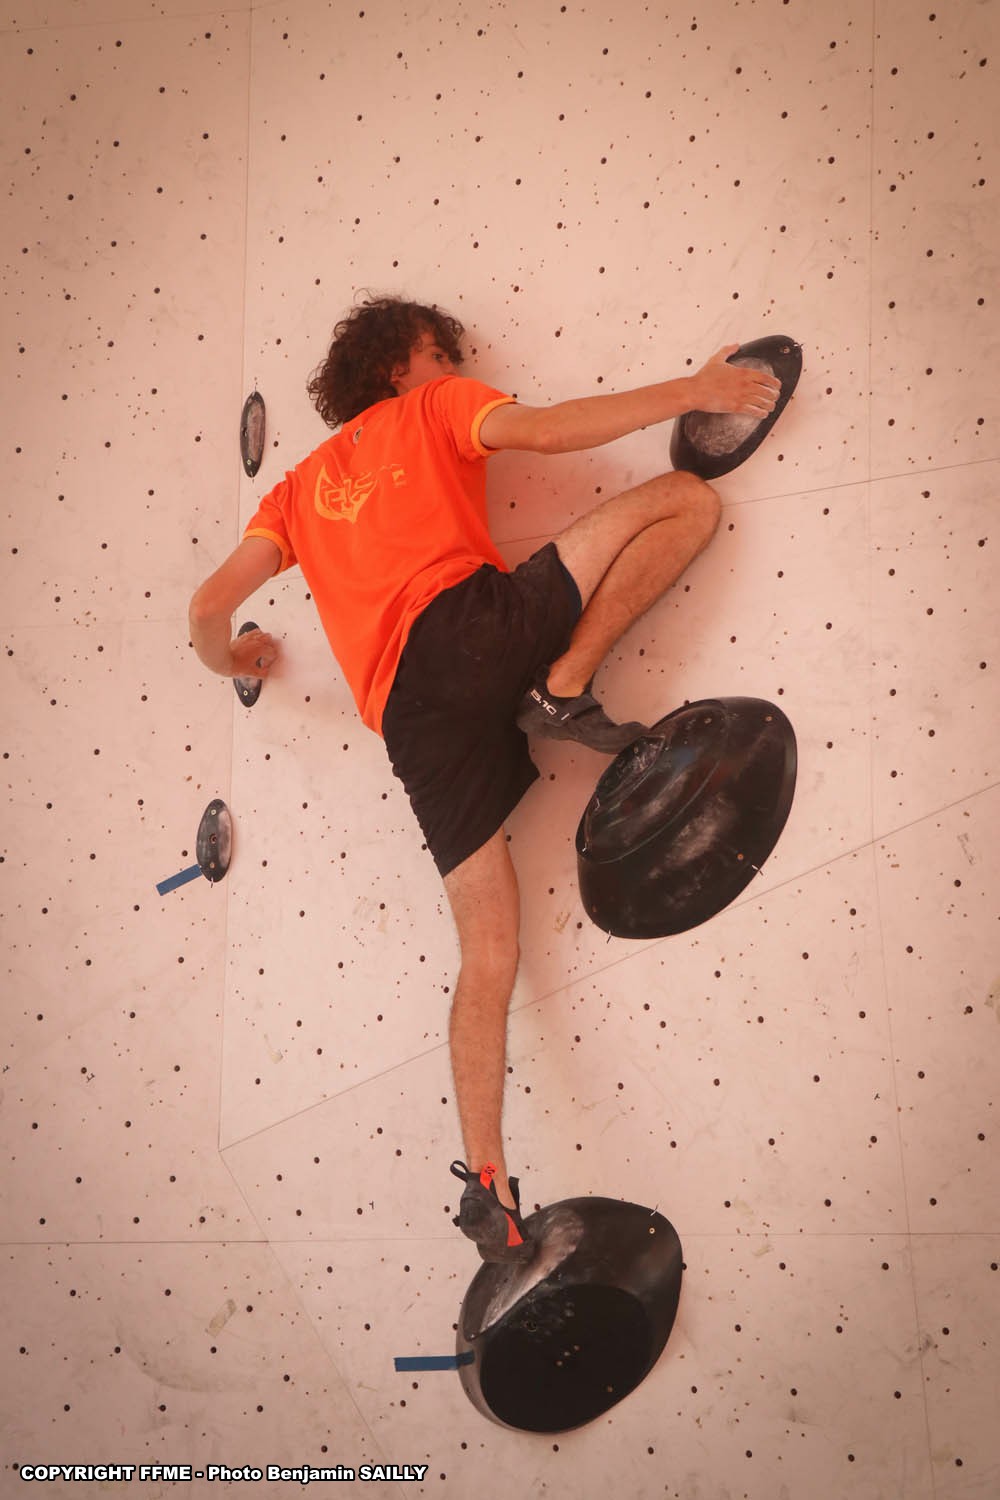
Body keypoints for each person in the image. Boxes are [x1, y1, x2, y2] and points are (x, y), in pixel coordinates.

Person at [189, 295, 780, 1262]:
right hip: (471, 626)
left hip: (411, 722)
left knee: (489, 950)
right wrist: (694, 390)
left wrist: (237, 657)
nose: (456, 366)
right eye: (442, 353)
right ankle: (563, 684)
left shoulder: (291, 495)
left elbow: (207, 605)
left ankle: (491, 1188)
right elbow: (547, 430)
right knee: (688, 502)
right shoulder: (432, 408)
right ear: (399, 366)